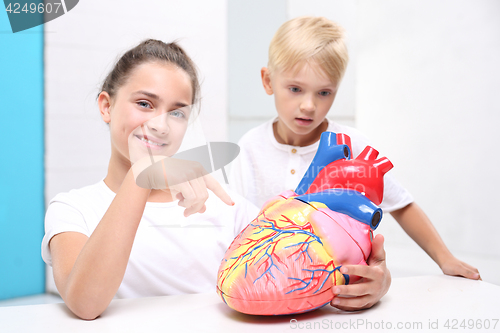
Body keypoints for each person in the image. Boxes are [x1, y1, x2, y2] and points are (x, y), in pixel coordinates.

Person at [229, 16, 480, 308]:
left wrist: (445, 259)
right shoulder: (249, 147)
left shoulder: (352, 144)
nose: (309, 105)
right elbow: (237, 225)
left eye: (324, 92)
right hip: (267, 293)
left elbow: (401, 204)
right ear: (268, 80)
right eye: (295, 89)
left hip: (337, 298)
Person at [41, 39, 259, 320]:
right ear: (107, 106)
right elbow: (85, 304)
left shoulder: (224, 205)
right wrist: (141, 174)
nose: (160, 125)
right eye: (144, 104)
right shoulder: (74, 209)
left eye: (177, 112)